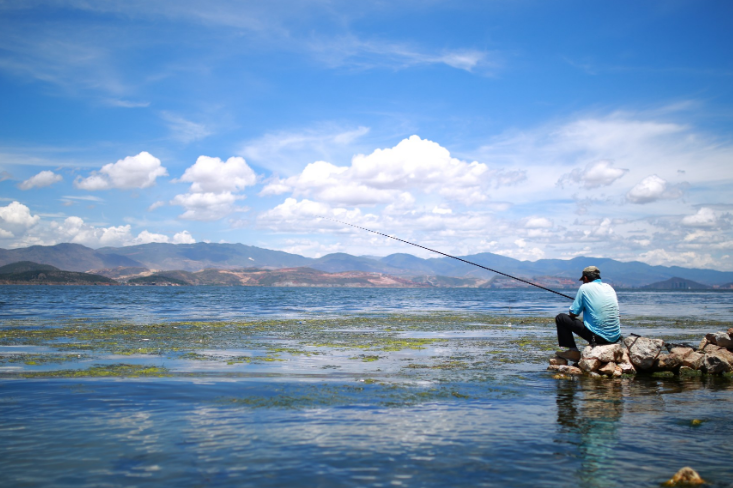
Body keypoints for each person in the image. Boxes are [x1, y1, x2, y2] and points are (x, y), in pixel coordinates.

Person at [555, 266, 621, 362]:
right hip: (615, 337)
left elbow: (573, 313)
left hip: (598, 338)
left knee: (561, 318)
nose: (583, 282)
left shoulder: (584, 287)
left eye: (583, 280)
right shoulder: (609, 287)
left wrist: (582, 305)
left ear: (585, 278)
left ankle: (573, 351)